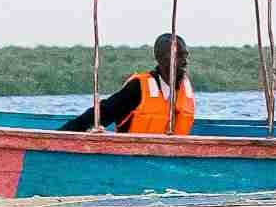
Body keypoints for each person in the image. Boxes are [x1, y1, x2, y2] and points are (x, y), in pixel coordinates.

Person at [62, 32, 198, 136]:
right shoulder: (137, 88)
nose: (185, 62)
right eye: (178, 56)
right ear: (160, 58)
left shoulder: (185, 91)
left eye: (185, 56)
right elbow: (101, 113)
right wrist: (63, 135)